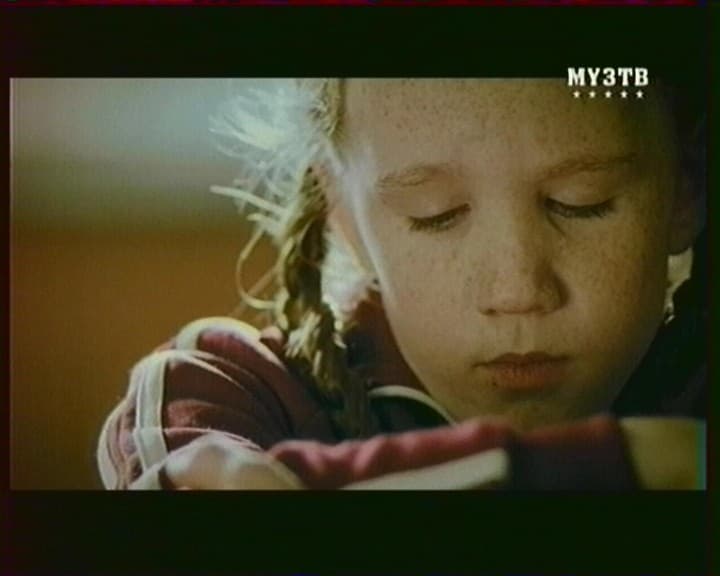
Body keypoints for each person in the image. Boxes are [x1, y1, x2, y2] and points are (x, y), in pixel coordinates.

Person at [97, 79, 706, 490]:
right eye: (436, 215)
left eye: (581, 202)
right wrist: (630, 462)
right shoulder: (220, 389)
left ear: (684, 190)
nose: (517, 290)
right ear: (341, 213)